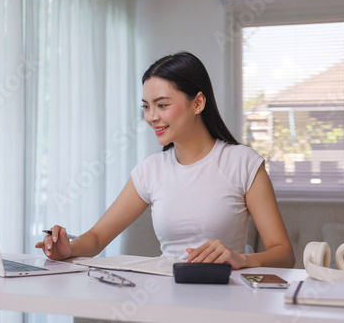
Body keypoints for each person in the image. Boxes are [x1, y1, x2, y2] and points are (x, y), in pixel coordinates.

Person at [36, 52, 295, 269]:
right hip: (166, 295)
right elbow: (96, 238)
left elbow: (283, 254)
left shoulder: (242, 162)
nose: (151, 117)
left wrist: (239, 259)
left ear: (198, 103)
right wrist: (66, 248)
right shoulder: (150, 171)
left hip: (226, 299)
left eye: (162, 105)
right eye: (146, 106)